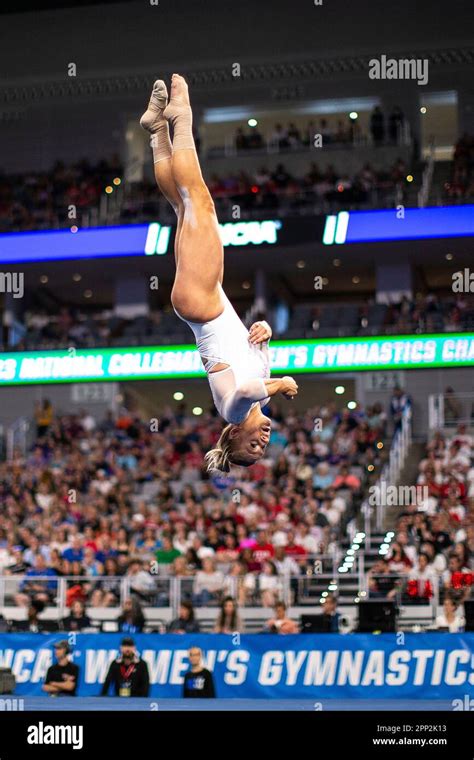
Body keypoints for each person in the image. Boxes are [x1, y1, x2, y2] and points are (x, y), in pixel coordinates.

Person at [140, 75, 298, 472]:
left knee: (201, 203)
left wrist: (280, 385)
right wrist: (263, 332)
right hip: (203, 304)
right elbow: (252, 352)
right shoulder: (258, 399)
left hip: (202, 305)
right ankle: (158, 129)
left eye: (252, 447)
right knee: (183, 205)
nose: (262, 441)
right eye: (262, 448)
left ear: (232, 436)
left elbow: (245, 387)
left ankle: (181, 117)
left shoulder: (234, 410)